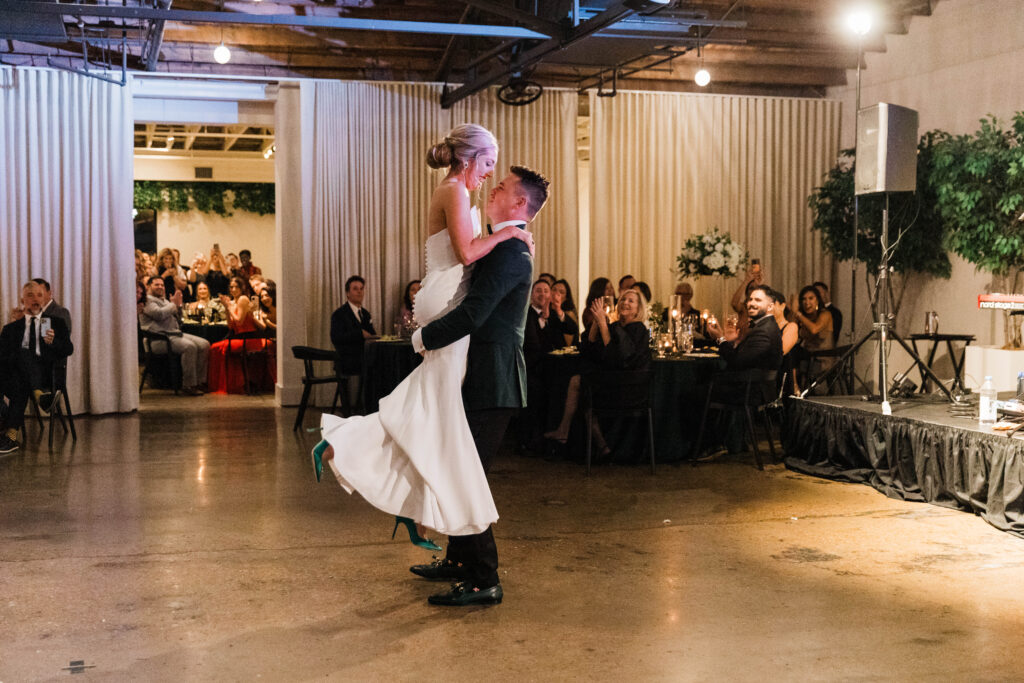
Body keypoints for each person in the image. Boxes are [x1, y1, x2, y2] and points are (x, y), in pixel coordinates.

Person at [313, 121, 544, 606]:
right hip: (479, 373)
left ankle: (485, 577)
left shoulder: (511, 253)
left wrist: (421, 336)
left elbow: (475, 312)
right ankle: (461, 561)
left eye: (500, 185)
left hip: (493, 379)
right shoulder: (501, 240)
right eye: (490, 171)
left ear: (519, 205)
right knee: (451, 459)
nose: (493, 183)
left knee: (462, 472)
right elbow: (462, 268)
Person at [544, 289, 650, 451]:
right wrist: (595, 322)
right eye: (622, 300)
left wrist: (602, 324)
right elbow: (590, 350)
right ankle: (573, 435)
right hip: (614, 381)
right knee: (577, 381)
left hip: (627, 388)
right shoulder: (615, 326)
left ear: (638, 308)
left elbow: (618, 357)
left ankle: (594, 443)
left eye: (631, 301)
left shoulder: (638, 329)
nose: (625, 303)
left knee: (583, 389)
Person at [0, 282, 74, 455]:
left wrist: (53, 342)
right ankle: (39, 395)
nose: (35, 299)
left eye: (40, 295)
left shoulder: (56, 323)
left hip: (47, 377)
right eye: (30, 295)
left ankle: (10, 436)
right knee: (20, 367)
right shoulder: (11, 328)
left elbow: (68, 350)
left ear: (45, 298)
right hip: (14, 378)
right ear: (22, 300)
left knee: (21, 378)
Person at [139, 276, 210, 395]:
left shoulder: (165, 301)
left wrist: (179, 306)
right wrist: (173, 305)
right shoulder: (146, 301)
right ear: (149, 286)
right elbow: (159, 314)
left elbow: (178, 318)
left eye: (162, 285)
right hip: (158, 339)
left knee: (204, 344)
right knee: (190, 347)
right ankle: (188, 385)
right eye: (157, 285)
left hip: (174, 333)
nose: (160, 287)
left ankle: (200, 382)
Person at [522, 279, 568, 452]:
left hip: (551, 369)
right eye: (538, 291)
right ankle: (531, 441)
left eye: (546, 291)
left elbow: (570, 330)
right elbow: (534, 347)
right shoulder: (526, 315)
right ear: (532, 294)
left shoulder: (553, 315)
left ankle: (555, 439)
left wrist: (554, 313)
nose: (542, 294)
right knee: (537, 391)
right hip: (532, 369)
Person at [206, 277, 273, 394]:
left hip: (249, 337)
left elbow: (239, 321)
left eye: (236, 286)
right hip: (239, 336)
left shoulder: (243, 299)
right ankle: (227, 384)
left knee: (216, 348)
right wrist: (227, 309)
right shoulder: (233, 302)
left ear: (242, 288)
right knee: (214, 347)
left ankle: (230, 385)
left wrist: (228, 307)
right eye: (231, 287)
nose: (233, 289)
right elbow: (231, 326)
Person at [707, 285, 783, 373]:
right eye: (750, 299)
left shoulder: (763, 330)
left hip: (750, 384)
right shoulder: (763, 325)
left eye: (758, 300)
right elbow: (742, 356)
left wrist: (720, 338)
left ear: (770, 307)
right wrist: (733, 341)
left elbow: (736, 362)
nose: (751, 303)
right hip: (748, 382)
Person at [329, 275, 378, 409]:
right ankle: (353, 410)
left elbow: (372, 334)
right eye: (355, 289)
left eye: (361, 289)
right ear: (347, 293)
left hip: (364, 358)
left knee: (382, 365)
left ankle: (372, 408)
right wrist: (359, 333)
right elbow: (336, 338)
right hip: (347, 359)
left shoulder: (366, 314)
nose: (359, 292)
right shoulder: (339, 314)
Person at [551, 278, 580, 347]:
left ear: (566, 298)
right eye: (554, 290)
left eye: (561, 292)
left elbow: (568, 344)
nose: (556, 293)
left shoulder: (568, 314)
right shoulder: (546, 311)